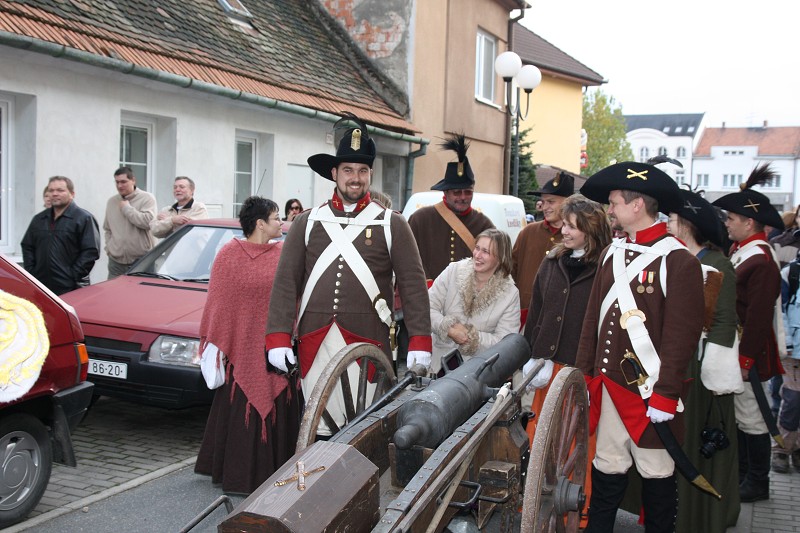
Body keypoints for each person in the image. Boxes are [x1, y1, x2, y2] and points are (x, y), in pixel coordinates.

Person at [265, 114, 432, 436]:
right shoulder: (307, 222)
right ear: (334, 174)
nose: (355, 178)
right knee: (317, 427)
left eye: (362, 170)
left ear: (370, 174)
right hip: (315, 340)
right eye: (348, 170)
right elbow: (286, 283)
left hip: (368, 341)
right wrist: (277, 336)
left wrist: (420, 341)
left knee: (363, 429)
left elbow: (413, 285)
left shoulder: (391, 223)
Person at [576, 161, 705, 533]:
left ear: (636, 206)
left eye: (614, 202)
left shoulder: (677, 261)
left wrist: (666, 395)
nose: (609, 209)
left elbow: (681, 337)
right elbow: (592, 323)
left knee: (657, 474)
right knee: (607, 468)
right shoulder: (611, 254)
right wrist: (585, 374)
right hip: (610, 386)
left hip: (649, 394)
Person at [195, 196, 300, 494]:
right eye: (277, 218)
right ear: (260, 224)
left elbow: (296, 294)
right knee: (241, 404)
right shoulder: (229, 254)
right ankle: (239, 477)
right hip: (241, 347)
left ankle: (277, 469)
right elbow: (218, 302)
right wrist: (219, 342)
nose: (282, 223)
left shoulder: (285, 254)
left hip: (277, 348)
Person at [667, 189, 743, 532]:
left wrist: (713, 374)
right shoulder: (675, 258)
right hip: (679, 361)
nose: (667, 223)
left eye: (671, 219)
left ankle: (700, 519)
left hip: (702, 369)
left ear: (686, 224)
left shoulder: (717, 263)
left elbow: (725, 321)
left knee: (696, 444)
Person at [713, 163, 785, 502]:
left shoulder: (761, 260)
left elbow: (757, 317)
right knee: (742, 417)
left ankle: (758, 482)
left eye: (731, 218)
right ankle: (744, 475)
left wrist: (745, 359)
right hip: (736, 348)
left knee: (754, 419)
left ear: (749, 222)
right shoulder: (743, 253)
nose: (727, 223)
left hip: (748, 353)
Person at [428, 228, 519, 374]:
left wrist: (471, 338)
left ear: (500, 257)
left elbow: (505, 342)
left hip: (478, 371)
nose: (478, 255)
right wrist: (449, 329)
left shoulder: (510, 293)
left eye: (486, 252)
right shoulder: (453, 271)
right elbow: (427, 308)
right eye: (477, 248)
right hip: (439, 362)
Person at [408, 133, 494, 282]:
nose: (462, 197)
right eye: (457, 192)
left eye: (468, 192)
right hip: (429, 296)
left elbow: (494, 264)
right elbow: (408, 260)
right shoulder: (420, 219)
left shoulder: (484, 225)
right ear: (445, 192)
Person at [21, 176, 101, 295]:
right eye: (51, 190)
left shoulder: (83, 218)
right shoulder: (39, 219)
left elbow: (91, 251)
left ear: (72, 194)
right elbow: (27, 246)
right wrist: (32, 272)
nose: (54, 194)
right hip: (41, 286)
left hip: (72, 288)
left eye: (60, 190)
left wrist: (73, 275)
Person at [512, 172, 574, 309]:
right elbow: (511, 271)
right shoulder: (528, 232)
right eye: (543, 202)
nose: (545, 207)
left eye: (551, 202)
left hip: (558, 314)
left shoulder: (576, 237)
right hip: (523, 313)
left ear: (567, 203)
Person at [103, 166, 157, 279]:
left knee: (141, 295)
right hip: (116, 261)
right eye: (117, 182)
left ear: (133, 180)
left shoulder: (147, 198)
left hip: (142, 260)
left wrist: (127, 208)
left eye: (123, 182)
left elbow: (148, 223)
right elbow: (107, 229)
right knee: (114, 295)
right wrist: (110, 249)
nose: (119, 186)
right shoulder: (112, 201)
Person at [778, 251, 800, 474]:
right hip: (795, 351)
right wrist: (788, 343)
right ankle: (782, 449)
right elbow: (781, 311)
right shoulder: (791, 273)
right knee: (792, 400)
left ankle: (796, 449)